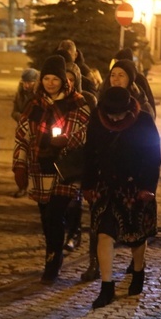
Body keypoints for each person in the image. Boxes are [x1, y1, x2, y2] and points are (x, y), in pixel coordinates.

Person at [13, 54, 90, 284]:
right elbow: (22, 136)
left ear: (63, 80)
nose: (50, 83)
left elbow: (85, 131)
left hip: (66, 170)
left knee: (55, 214)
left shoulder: (77, 103)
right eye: (46, 78)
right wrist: (20, 165)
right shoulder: (34, 105)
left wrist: (67, 140)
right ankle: (52, 251)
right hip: (40, 169)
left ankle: (53, 261)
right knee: (46, 217)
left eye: (54, 79)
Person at [82, 86, 161, 309]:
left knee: (136, 236)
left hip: (135, 188)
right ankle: (106, 287)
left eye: (118, 114)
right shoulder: (97, 119)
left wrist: (147, 187)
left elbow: (153, 156)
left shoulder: (143, 120)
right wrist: (87, 185)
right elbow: (90, 153)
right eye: (111, 114)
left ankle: (138, 270)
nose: (114, 118)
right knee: (104, 234)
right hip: (106, 187)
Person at [63, 62, 97, 253]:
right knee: (71, 200)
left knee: (88, 198)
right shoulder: (58, 100)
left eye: (71, 78)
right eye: (65, 78)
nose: (67, 82)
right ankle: (73, 234)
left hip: (85, 154)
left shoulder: (88, 99)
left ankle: (96, 237)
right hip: (66, 158)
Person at [11, 68, 39, 198]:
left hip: (37, 131)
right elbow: (14, 111)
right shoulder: (20, 94)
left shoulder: (39, 94)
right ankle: (21, 186)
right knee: (20, 160)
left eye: (30, 82)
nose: (27, 85)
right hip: (22, 130)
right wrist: (21, 117)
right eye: (24, 82)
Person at [113, 48, 156, 117]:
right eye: (113, 75)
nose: (116, 79)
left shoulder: (139, 79)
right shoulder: (109, 80)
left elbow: (148, 101)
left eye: (121, 75)